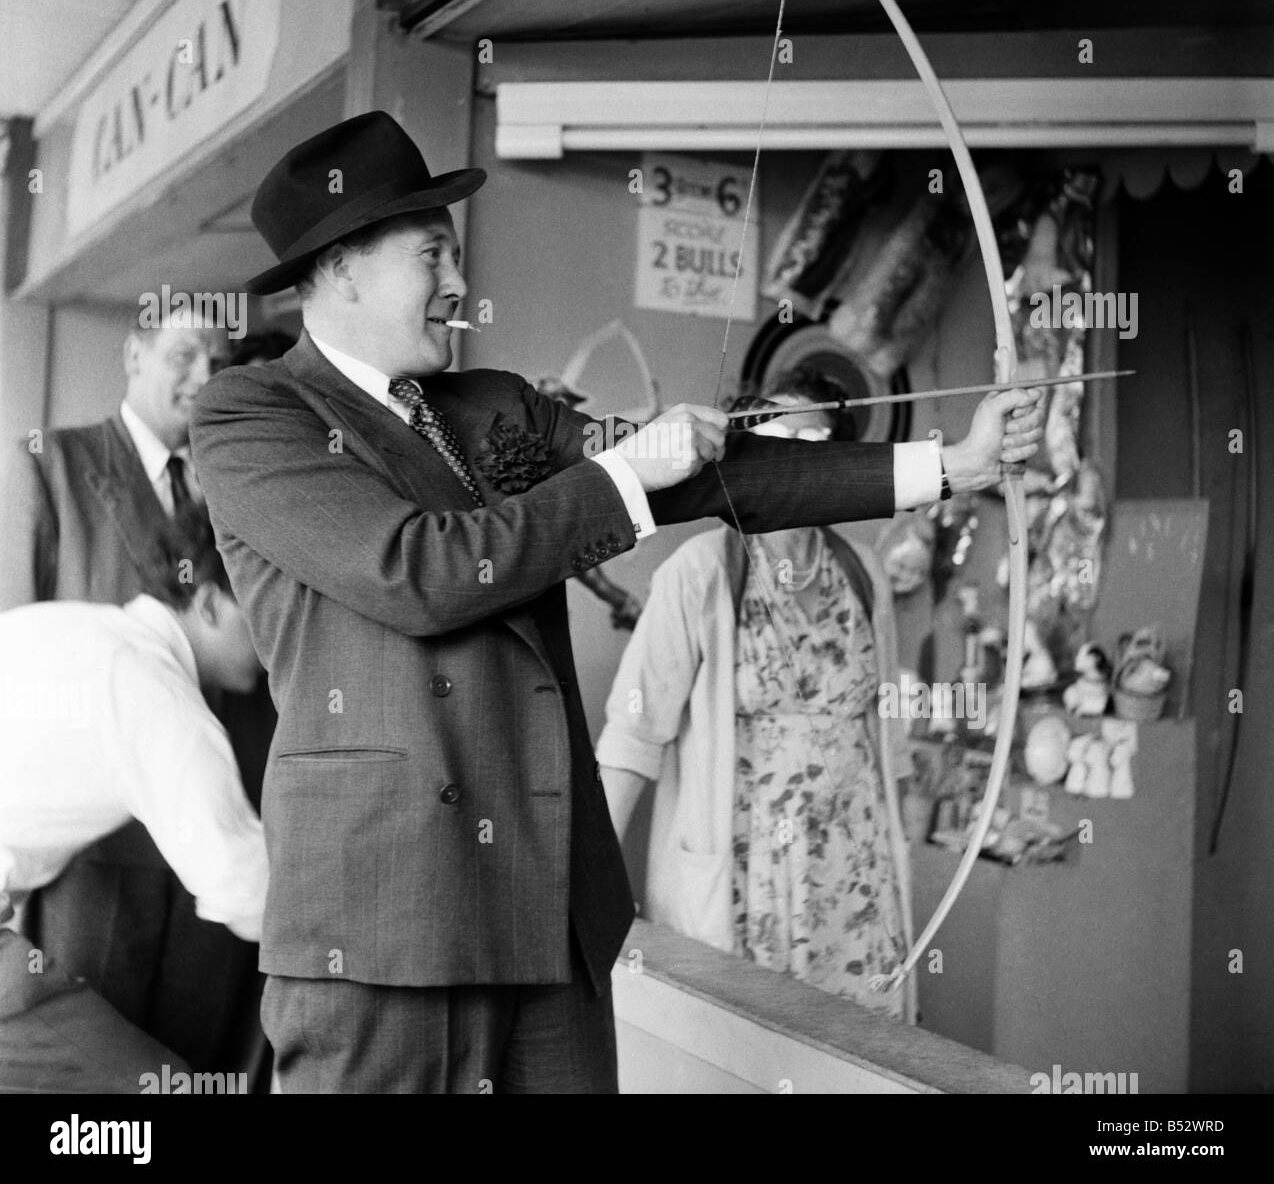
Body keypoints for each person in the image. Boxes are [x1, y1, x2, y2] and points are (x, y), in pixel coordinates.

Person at [189, 109, 1044, 1094]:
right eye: (433, 254)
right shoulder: (251, 415)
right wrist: (624, 473)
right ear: (342, 266)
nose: (459, 285)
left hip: (551, 911)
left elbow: (720, 481)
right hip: (384, 930)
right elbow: (415, 571)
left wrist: (952, 461)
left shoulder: (490, 404)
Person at [0, 316, 270, 1078]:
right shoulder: (50, 462)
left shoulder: (90, 633)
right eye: (184, 353)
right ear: (210, 602)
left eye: (218, 361)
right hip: (91, 890)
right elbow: (244, 886)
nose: (278, 640)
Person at [598, 372, 916, 1019]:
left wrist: (904, 867)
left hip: (856, 877)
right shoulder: (700, 571)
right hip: (748, 881)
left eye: (817, 448)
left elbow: (891, 739)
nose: (797, 465)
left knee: (861, 1063)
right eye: (781, 444)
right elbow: (633, 737)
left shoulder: (863, 573)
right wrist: (586, 890)